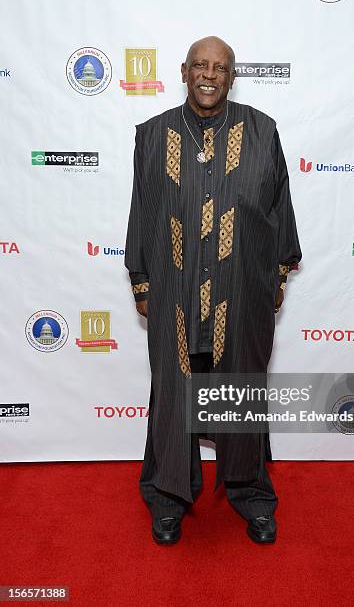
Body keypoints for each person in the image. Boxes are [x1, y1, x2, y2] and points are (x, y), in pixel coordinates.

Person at [125, 36, 301, 545]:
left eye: (219, 68)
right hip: (175, 289)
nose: (209, 75)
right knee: (175, 394)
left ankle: (251, 495)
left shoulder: (262, 131)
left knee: (240, 392)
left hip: (240, 288)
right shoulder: (153, 135)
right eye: (200, 65)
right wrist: (141, 279)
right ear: (184, 72)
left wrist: (279, 275)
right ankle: (168, 497)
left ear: (231, 76)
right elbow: (143, 211)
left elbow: (279, 208)